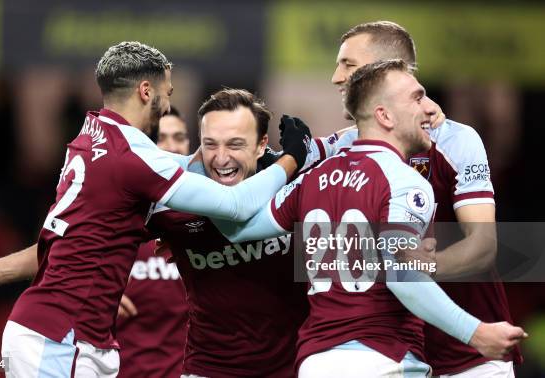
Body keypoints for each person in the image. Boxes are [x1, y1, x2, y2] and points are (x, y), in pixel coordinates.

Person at [0, 41, 311, 377]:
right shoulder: (133, 158)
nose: (168, 104)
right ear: (145, 91)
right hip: (66, 337)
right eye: (167, 93)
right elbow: (235, 205)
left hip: (56, 332)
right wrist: (293, 156)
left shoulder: (89, 139)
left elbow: (66, 239)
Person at [214, 60, 526, 377]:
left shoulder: (313, 178)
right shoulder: (405, 182)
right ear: (384, 116)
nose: (429, 109)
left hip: (317, 362)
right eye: (417, 99)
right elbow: (403, 277)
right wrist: (476, 332)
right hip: (383, 359)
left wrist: (284, 164)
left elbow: (238, 227)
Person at [310, 21, 521, 376]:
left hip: (467, 357)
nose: (335, 77)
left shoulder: (455, 141)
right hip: (389, 355)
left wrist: (418, 266)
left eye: (347, 64)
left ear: (390, 71)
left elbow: (483, 246)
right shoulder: (337, 149)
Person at [147, 88, 310, 376]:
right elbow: (80, 241)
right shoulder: (171, 201)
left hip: (293, 367)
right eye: (210, 144)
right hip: (209, 369)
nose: (221, 159)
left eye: (235, 144)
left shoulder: (298, 187)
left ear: (261, 145)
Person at [116, 107, 189, 378]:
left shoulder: (211, 220)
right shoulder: (116, 218)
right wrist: (95, 292)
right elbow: (57, 265)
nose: (172, 146)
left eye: (179, 137)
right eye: (162, 137)